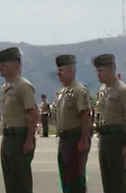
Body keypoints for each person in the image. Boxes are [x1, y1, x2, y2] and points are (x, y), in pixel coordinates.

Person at [0, 47, 39, 193]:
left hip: (20, 137)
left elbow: (33, 113)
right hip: (8, 137)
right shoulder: (4, 87)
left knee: (21, 182)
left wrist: (29, 140)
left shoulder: (23, 86)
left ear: (15, 65)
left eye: (3, 65)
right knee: (10, 181)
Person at [54, 54, 92, 193]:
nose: (58, 74)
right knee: (66, 177)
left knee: (76, 177)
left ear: (71, 70)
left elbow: (85, 115)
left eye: (61, 71)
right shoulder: (62, 92)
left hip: (75, 138)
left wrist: (83, 139)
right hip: (64, 139)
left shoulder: (79, 91)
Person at [92, 54, 126, 193]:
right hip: (105, 138)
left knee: (118, 179)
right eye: (97, 71)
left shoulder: (122, 90)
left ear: (111, 69)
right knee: (107, 178)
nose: (98, 74)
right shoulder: (102, 90)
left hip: (117, 138)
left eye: (101, 71)